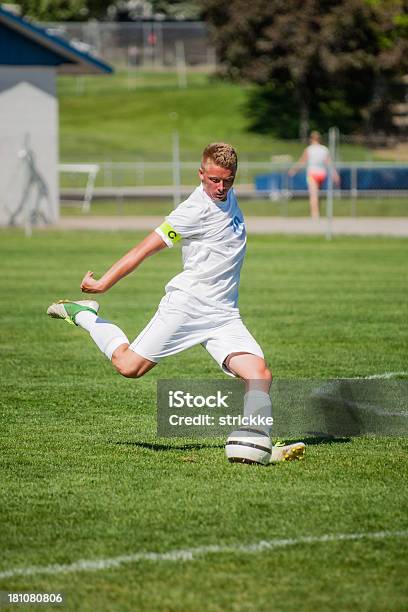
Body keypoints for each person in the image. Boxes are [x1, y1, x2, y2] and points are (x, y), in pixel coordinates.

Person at [47, 143, 305, 464]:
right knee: (128, 367)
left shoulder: (227, 194)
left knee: (259, 375)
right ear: (200, 174)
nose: (220, 187)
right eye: (213, 180)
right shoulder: (192, 210)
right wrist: (102, 283)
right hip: (187, 307)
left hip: (223, 314)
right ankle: (85, 315)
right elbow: (143, 249)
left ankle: (258, 444)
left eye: (227, 180)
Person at [289, 131, 340, 219]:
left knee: (313, 195)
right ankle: (318, 212)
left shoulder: (309, 149)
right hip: (322, 174)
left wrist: (293, 170)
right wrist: (335, 174)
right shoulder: (324, 149)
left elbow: (302, 162)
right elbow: (329, 163)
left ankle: (315, 214)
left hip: (312, 174)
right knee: (318, 195)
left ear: (311, 139)